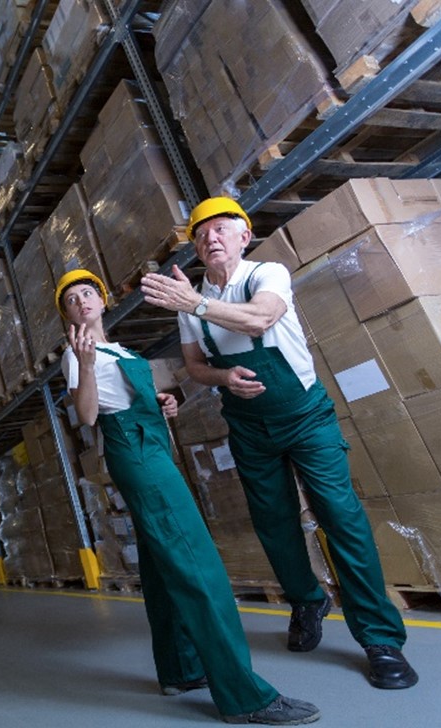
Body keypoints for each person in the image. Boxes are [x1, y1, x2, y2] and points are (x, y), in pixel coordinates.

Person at [140, 197, 418, 691]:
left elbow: (260, 320)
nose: (212, 239)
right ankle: (307, 600)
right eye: (202, 234)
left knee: (340, 516)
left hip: (306, 418)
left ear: (244, 236)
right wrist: (223, 375)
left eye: (223, 229)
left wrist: (195, 304)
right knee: (275, 526)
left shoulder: (267, 273)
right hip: (248, 427)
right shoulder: (193, 301)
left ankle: (380, 640)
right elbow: (195, 366)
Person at [57, 269, 320, 725]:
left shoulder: (116, 349)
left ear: (102, 300)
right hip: (137, 454)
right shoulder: (76, 353)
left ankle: (179, 669)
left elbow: (126, 399)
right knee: (197, 565)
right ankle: (244, 696)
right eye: (72, 299)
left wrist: (159, 402)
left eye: (88, 293)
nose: (82, 301)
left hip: (149, 444)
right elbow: (87, 416)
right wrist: (82, 365)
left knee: (163, 565)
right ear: (67, 315)